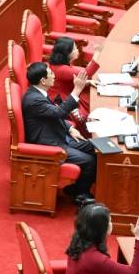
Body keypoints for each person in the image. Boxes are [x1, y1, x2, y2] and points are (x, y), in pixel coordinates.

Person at [22, 62, 96, 205]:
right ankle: (81, 194)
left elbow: (52, 114)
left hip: (59, 135)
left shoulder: (37, 93)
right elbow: (59, 112)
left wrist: (69, 128)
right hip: (49, 144)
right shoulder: (34, 100)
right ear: (43, 81)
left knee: (94, 148)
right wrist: (77, 90)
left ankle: (77, 188)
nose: (54, 75)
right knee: (89, 161)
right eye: (51, 73)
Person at [65, 205, 139, 274]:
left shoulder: (78, 240)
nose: (111, 224)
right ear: (101, 228)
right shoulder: (95, 259)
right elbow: (134, 272)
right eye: (110, 221)